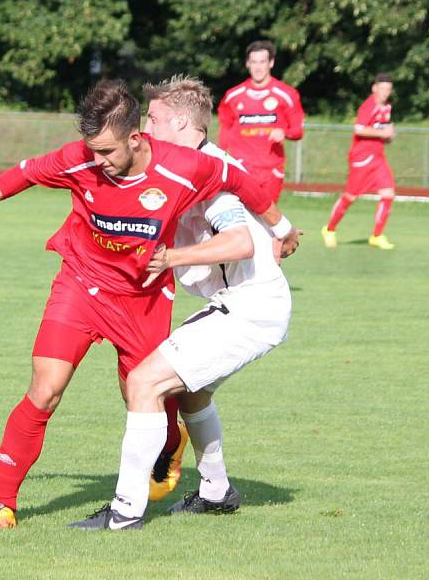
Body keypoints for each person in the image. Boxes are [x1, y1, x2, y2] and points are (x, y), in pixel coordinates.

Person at [0, 79, 294, 530]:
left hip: (143, 297)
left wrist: (281, 226)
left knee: (143, 392)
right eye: (92, 150)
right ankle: (4, 504)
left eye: (107, 152)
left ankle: (172, 455)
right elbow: (26, 172)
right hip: (81, 283)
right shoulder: (81, 160)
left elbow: (240, 182)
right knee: (45, 387)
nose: (97, 162)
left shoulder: (185, 166)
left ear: (135, 139)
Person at [68, 75, 299, 531]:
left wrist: (172, 257)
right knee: (191, 391)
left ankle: (125, 510)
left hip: (251, 307)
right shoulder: (199, 162)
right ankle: (216, 492)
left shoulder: (203, 171)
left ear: (178, 122)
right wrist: (282, 227)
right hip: (245, 303)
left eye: (152, 119)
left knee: (144, 382)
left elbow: (238, 243)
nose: (146, 128)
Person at [217, 40, 305, 204]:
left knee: (267, 221)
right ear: (247, 64)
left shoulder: (287, 94)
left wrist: (284, 133)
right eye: (254, 62)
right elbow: (225, 129)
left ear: (271, 63)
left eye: (262, 62)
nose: (258, 67)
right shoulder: (233, 96)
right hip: (241, 167)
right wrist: (220, 158)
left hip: (271, 170)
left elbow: (298, 131)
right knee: (241, 218)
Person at [322, 74, 396, 250]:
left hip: (378, 158)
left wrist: (389, 136)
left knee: (388, 194)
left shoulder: (386, 108)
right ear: (374, 88)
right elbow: (359, 129)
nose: (385, 92)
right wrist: (382, 134)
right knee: (350, 197)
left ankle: (376, 236)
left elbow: (382, 132)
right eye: (382, 88)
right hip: (361, 158)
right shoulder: (368, 106)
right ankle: (330, 229)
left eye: (388, 89)